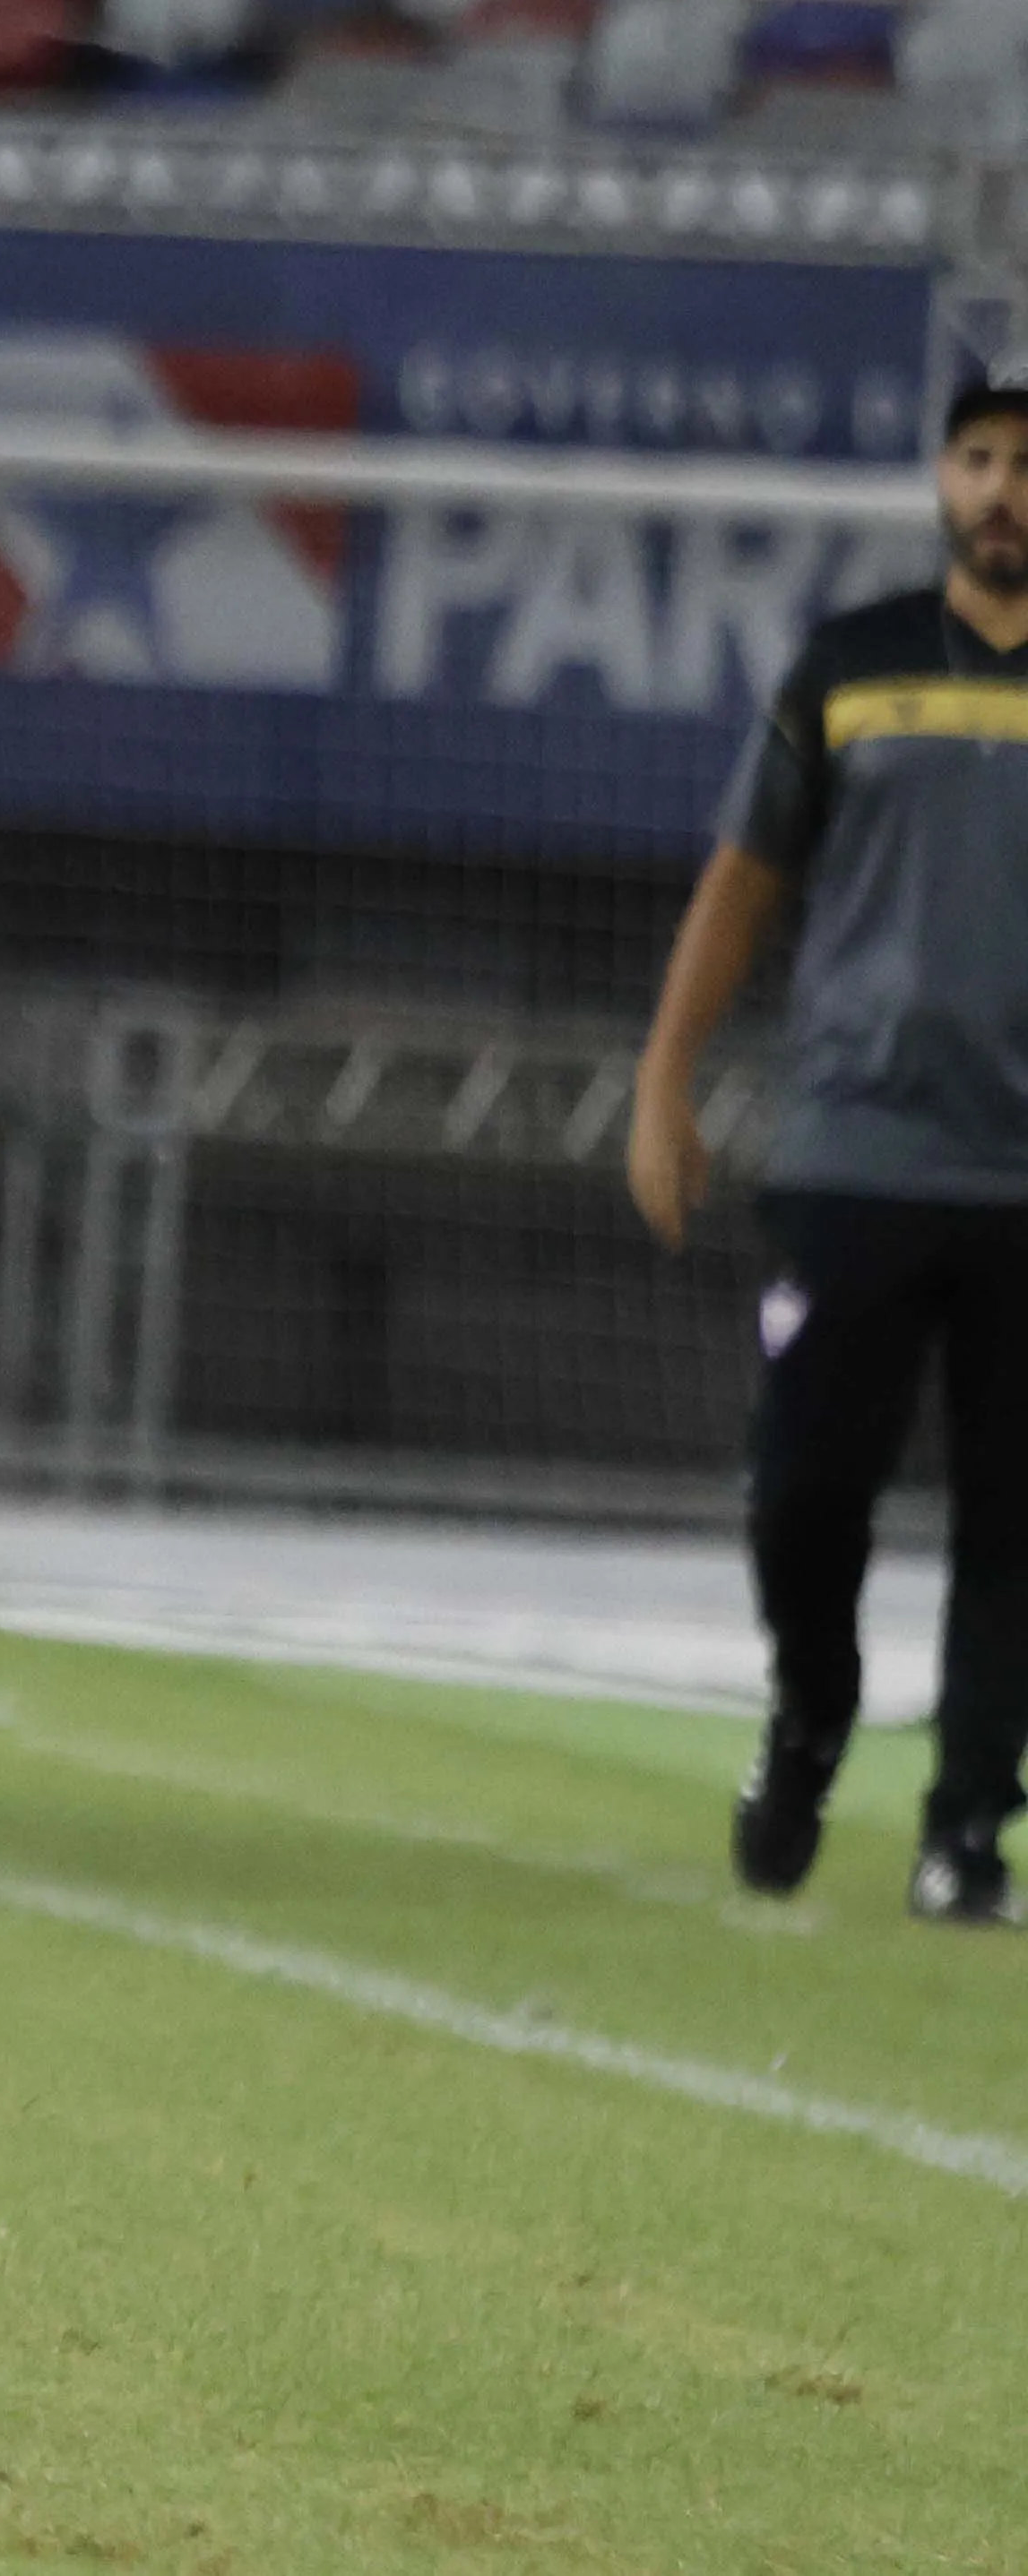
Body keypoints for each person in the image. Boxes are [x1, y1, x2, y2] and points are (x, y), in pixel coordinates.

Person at [627, 369, 1028, 1930]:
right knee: (803, 1493)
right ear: (940, 477)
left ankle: (969, 1831)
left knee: (1017, 1522)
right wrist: (665, 1082)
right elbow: (740, 886)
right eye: (980, 456)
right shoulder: (846, 667)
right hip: (856, 1155)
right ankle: (809, 1719)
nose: (1004, 488)